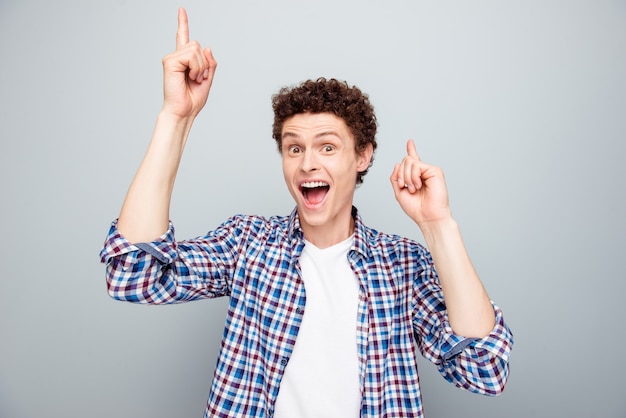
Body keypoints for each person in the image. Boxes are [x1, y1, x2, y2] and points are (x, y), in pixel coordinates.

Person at [100, 8, 513, 418]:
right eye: (294, 147)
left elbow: (484, 371)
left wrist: (437, 225)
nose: (307, 164)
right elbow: (132, 276)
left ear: (363, 156)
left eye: (328, 147)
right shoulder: (249, 244)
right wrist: (176, 117)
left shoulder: (402, 265)